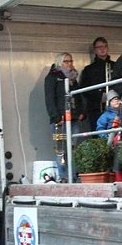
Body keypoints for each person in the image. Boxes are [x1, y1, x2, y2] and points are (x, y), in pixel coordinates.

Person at [44, 52, 85, 182]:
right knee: (61, 150)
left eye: (71, 61)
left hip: (73, 118)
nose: (70, 64)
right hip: (60, 120)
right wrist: (55, 117)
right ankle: (64, 176)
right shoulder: (52, 77)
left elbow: (78, 97)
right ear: (59, 63)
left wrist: (81, 112)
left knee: (73, 149)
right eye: (66, 61)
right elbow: (49, 98)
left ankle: (73, 175)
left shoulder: (73, 79)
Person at [79, 36, 116, 130]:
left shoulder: (116, 66)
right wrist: (100, 96)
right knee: (98, 134)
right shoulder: (89, 69)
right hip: (96, 109)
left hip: (115, 107)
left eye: (104, 46)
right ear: (95, 50)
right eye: (99, 47)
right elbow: (84, 89)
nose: (102, 49)